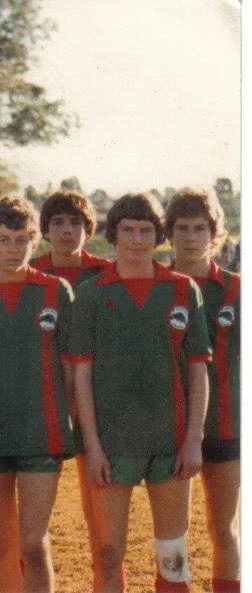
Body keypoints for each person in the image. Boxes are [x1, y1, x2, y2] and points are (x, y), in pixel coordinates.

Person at [69, 193, 211, 593]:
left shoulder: (183, 290)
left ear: (158, 236)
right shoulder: (93, 294)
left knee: (173, 554)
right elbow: (82, 374)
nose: (136, 239)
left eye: (145, 230)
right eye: (128, 230)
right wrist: (92, 446)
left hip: (170, 440)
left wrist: (194, 440)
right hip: (111, 446)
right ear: (113, 235)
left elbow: (198, 370)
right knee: (109, 554)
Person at [0, 196, 74, 593]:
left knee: (33, 541)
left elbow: (71, 366)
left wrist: (70, 417)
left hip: (41, 432)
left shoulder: (54, 291)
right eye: (4, 239)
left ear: (34, 241)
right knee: (3, 543)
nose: (13, 248)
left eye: (21, 239)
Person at [31, 189, 108, 581]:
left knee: (101, 516)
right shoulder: (33, 272)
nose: (66, 231)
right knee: (33, 519)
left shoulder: (104, 273)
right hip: (48, 395)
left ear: (88, 228)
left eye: (75, 222)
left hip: (98, 398)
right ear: (45, 230)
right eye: (57, 222)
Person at [165, 189, 239, 593]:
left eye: (200, 228)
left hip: (226, 426)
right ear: (169, 233)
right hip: (170, 428)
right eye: (182, 228)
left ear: (214, 234)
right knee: (174, 534)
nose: (191, 237)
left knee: (223, 528)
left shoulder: (236, 290)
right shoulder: (157, 286)